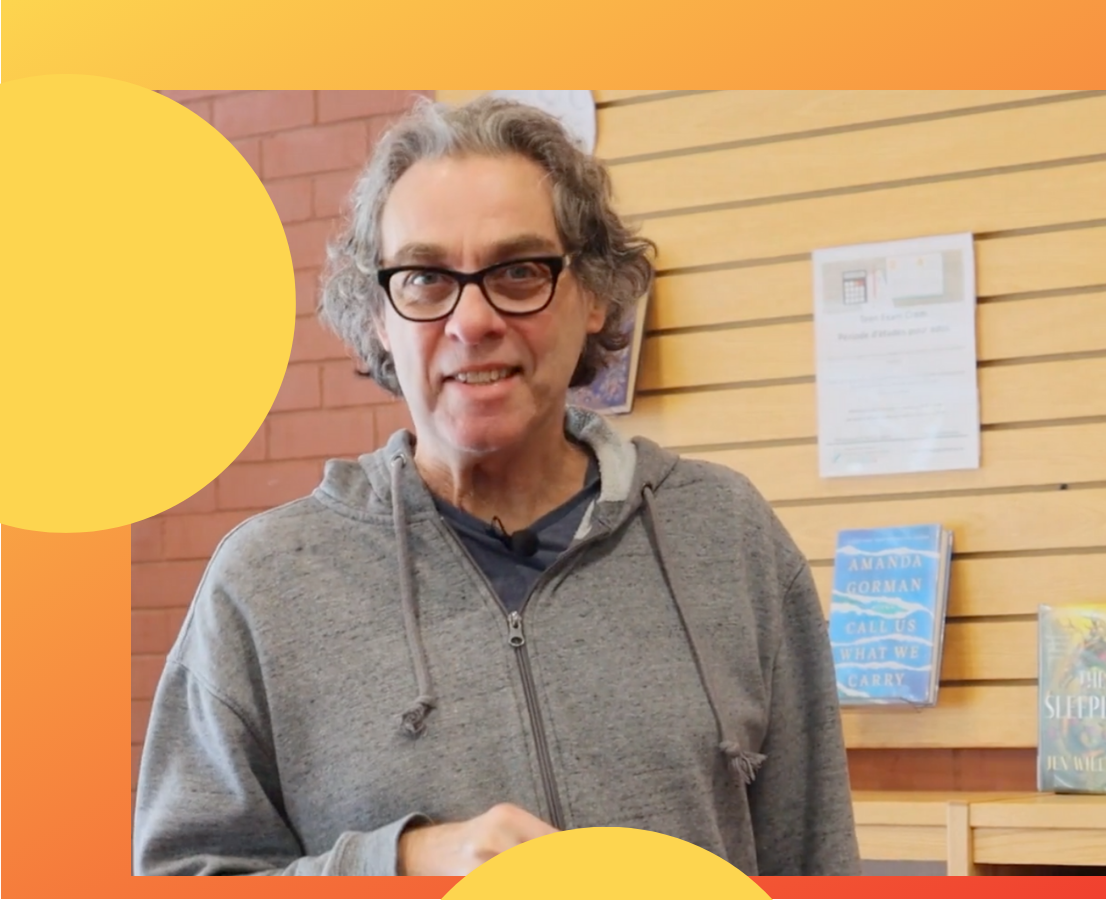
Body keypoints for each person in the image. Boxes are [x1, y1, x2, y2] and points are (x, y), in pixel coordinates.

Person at [133, 96, 862, 877]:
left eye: (519, 272)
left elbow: (815, 867)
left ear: (594, 296)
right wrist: (397, 866)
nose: (473, 320)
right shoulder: (265, 585)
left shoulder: (728, 539)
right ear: (380, 316)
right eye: (424, 278)